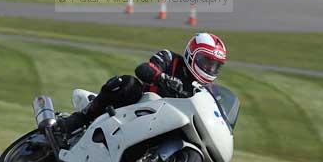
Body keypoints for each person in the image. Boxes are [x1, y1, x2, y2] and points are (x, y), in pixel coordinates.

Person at [55, 32, 227, 137]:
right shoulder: (170, 59)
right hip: (137, 109)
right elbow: (144, 68)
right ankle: (80, 118)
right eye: (206, 62)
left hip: (166, 125)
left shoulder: (204, 92)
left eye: (214, 66)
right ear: (192, 55)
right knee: (129, 84)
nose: (209, 68)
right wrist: (163, 78)